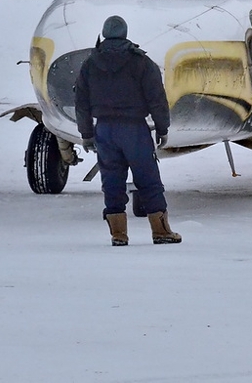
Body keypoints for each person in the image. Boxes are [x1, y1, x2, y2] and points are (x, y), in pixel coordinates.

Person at [74, 15, 181, 246]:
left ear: (104, 34)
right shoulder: (141, 62)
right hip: (134, 130)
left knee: (111, 180)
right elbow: (157, 99)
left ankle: (118, 235)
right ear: (125, 34)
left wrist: (86, 134)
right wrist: (162, 128)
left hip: (104, 130)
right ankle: (161, 232)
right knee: (148, 179)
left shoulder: (90, 64)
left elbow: (81, 102)